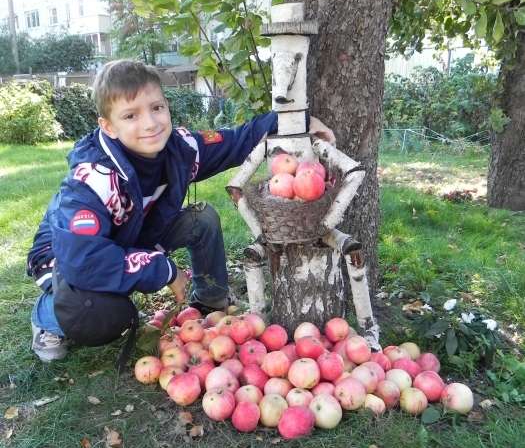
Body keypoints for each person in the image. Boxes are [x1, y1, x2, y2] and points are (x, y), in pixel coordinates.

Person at [27, 60, 335, 362]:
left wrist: (300, 122)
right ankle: (48, 315)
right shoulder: (91, 179)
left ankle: (211, 299)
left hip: (131, 234)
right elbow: (84, 261)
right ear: (108, 126)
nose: (150, 123)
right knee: (103, 312)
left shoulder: (180, 148)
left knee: (202, 219)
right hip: (64, 259)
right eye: (131, 115)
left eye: (157, 108)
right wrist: (163, 269)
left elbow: (237, 140)